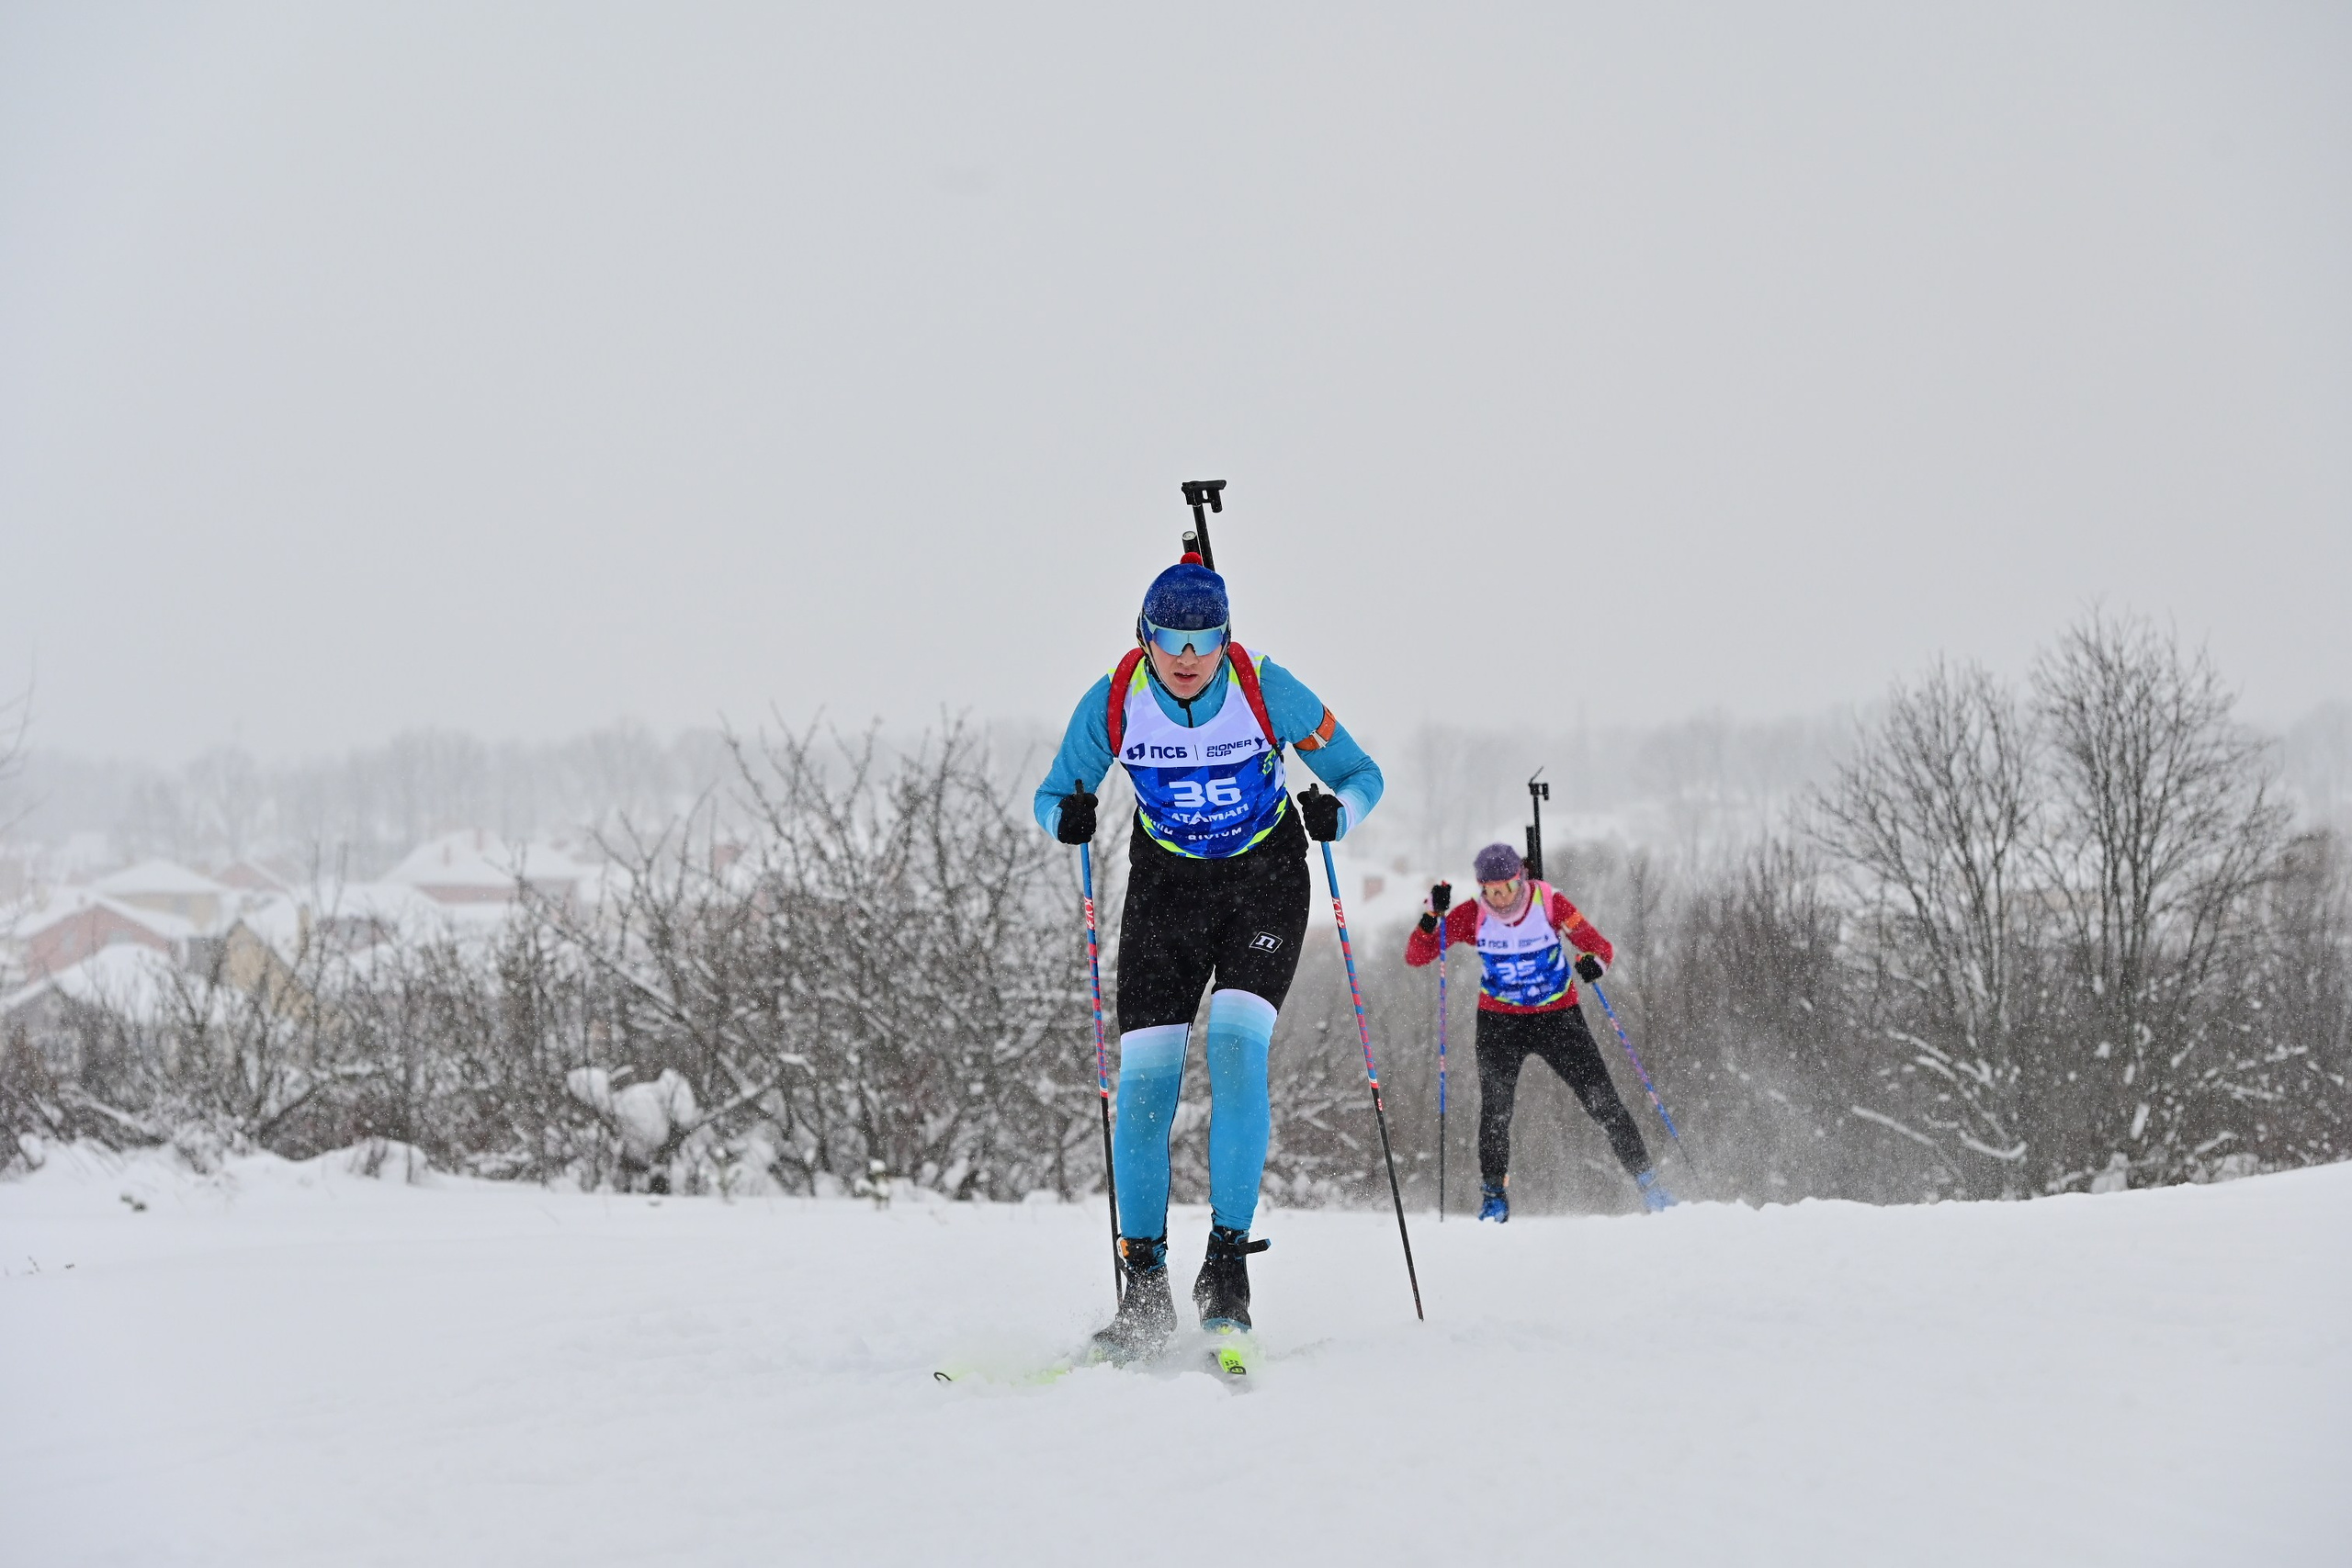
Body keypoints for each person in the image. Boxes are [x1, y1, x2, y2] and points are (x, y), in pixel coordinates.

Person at [1035, 550, 1383, 1361]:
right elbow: (1054, 793)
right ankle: (1145, 1288)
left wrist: (1339, 812)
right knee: (1147, 1083)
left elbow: (1362, 774)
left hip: (1264, 881)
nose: (1188, 657)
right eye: (1171, 639)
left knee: (1233, 1046)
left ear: (1225, 637)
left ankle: (1226, 1267)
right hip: (1165, 891)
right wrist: (1068, 821)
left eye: (1205, 639)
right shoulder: (1116, 700)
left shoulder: (1267, 688)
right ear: (1145, 637)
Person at [1403, 842, 1676, 1219]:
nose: (1499, 899)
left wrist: (1594, 965)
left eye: (1508, 888)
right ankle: (1494, 1198)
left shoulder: (1549, 903)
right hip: (1500, 1024)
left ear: (1522, 880)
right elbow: (1418, 954)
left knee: (1603, 1101)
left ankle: (1651, 1186)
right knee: (1496, 1112)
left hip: (1558, 1018)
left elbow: (1599, 948)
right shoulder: (1472, 915)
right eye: (1491, 890)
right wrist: (1432, 914)